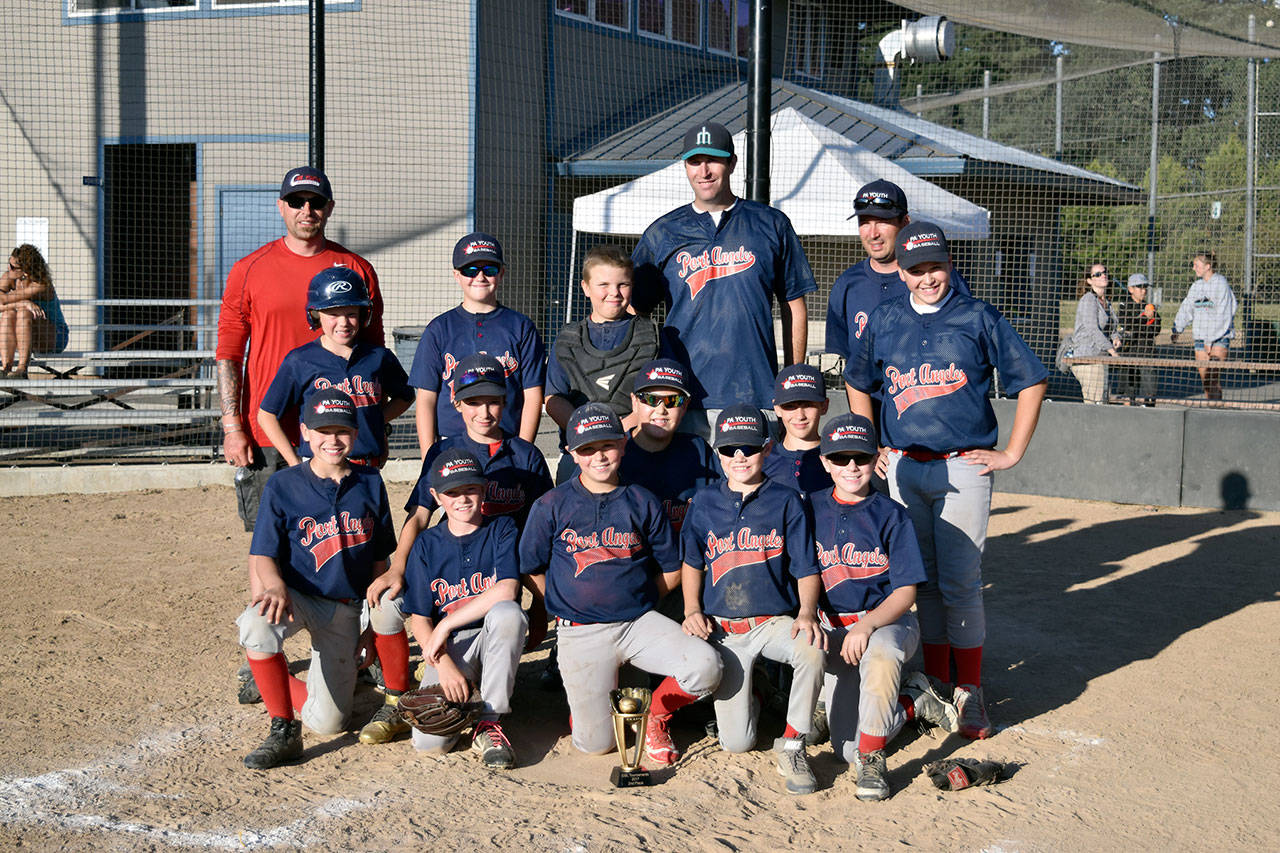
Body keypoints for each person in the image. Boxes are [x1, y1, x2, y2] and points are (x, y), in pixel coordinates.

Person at [844, 221, 1048, 741]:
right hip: (903, 466)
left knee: (960, 581)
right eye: (916, 269)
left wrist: (1011, 453)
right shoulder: (886, 318)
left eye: (934, 266)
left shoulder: (977, 315)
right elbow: (857, 380)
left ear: (948, 264)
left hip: (963, 464)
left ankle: (971, 689)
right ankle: (937, 682)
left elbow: (1031, 379)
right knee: (922, 581)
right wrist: (872, 446)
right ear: (903, 271)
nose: (926, 277)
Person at [359, 353, 552, 744]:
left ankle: (504, 706)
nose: (484, 411)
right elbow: (419, 517)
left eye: (493, 400)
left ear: (507, 400)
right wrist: (397, 568)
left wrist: (542, 607)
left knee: (516, 613)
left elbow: (540, 538)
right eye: (474, 401)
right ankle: (398, 697)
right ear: (456, 401)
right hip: (451, 570)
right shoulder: (443, 451)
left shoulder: (526, 457)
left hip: (503, 573)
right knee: (389, 602)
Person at [518, 403, 722, 767]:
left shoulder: (641, 500)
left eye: (608, 445)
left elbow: (672, 568)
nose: (599, 456)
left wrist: (641, 599)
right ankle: (591, 706)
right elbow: (530, 566)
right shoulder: (552, 504)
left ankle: (656, 714)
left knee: (706, 666)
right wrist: (559, 602)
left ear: (624, 445)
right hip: (581, 632)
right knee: (597, 745)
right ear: (571, 454)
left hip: (638, 624)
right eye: (587, 449)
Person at [216, 166, 384, 533]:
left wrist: (371, 425)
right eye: (296, 201)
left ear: (330, 207)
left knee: (344, 540)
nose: (306, 210)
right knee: (271, 543)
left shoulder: (356, 270)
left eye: (316, 202)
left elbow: (374, 358)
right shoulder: (249, 269)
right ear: (281, 206)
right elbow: (228, 352)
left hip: (337, 435)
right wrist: (233, 427)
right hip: (270, 434)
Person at [235, 389, 396, 769]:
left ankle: (271, 680)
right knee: (257, 624)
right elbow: (262, 554)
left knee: (330, 722)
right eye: (323, 430)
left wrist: (369, 629)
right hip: (296, 596)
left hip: (344, 609)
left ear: (355, 435)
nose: (332, 439)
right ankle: (283, 729)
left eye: (342, 430)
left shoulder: (370, 482)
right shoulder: (283, 484)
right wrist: (273, 587)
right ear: (305, 432)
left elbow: (379, 560)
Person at [632, 121, 816, 438]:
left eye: (714, 160)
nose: (704, 171)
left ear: (732, 163)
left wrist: (791, 381)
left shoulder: (770, 224)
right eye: (694, 161)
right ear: (685, 166)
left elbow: (794, 305)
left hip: (756, 394)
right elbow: (634, 311)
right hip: (680, 399)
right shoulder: (663, 231)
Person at [810, 413, 959, 801]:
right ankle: (912, 702)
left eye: (860, 457)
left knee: (882, 653)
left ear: (875, 459)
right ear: (825, 462)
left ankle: (874, 758)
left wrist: (866, 626)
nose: (851, 467)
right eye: (840, 459)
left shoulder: (891, 514)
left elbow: (905, 594)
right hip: (835, 632)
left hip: (887, 624)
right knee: (844, 749)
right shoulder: (809, 510)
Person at [679, 404, 826, 796]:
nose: (739, 457)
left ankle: (793, 743)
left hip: (772, 622)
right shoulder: (704, 503)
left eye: (748, 448)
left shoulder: (786, 500)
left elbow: (806, 567)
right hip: (724, 630)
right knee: (737, 743)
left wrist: (808, 613)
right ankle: (759, 690)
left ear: (767, 448)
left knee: (811, 648)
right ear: (717, 454)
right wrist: (692, 608)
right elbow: (692, 563)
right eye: (729, 450)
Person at [397, 448, 528, 768]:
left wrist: (446, 624)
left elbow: (508, 589)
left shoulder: (502, 529)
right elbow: (420, 619)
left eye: (470, 488)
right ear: (435, 496)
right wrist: (442, 664)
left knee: (508, 613)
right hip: (452, 648)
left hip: (490, 635)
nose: (462, 498)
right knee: (430, 743)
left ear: (484, 488)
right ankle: (472, 689)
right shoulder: (426, 544)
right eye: (451, 492)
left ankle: (489, 720)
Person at [258, 267, 413, 467]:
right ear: (316, 315)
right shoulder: (300, 360)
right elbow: (266, 415)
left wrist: (376, 422)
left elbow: (406, 395)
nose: (343, 322)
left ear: (363, 313)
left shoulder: (378, 357)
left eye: (351, 313)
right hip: (319, 466)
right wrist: (294, 462)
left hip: (367, 466)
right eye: (333, 314)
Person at [408, 232, 546, 453]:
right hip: (450, 444)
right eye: (470, 270)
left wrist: (523, 450)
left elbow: (532, 395)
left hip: (506, 444)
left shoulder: (521, 327)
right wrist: (428, 455)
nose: (480, 277)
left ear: (501, 273)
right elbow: (426, 398)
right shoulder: (440, 329)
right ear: (457, 275)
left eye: (489, 270)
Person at [826, 180, 970, 382]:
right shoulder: (847, 285)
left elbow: (965, 351)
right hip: (869, 408)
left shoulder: (938, 283)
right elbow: (850, 365)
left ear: (905, 222)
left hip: (926, 406)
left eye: (882, 221)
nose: (873, 233)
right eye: (864, 222)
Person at [545, 245, 659, 484]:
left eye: (623, 284)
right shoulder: (567, 339)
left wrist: (618, 432)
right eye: (603, 285)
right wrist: (592, 433)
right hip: (580, 453)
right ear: (586, 287)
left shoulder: (651, 336)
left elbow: (658, 396)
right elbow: (554, 399)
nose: (614, 292)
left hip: (635, 449)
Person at [1173, 250, 1237, 402]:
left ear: (1208, 266)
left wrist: (1210, 341)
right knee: (1206, 382)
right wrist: (1177, 328)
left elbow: (1224, 314)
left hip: (1219, 338)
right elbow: (1187, 307)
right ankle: (1211, 410)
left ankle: (1216, 410)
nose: (1194, 268)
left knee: (1213, 379)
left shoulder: (1220, 283)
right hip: (1200, 339)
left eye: (1197, 265)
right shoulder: (1196, 286)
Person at [0, 244, 69, 378]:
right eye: (9, 264)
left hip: (55, 335)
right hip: (26, 336)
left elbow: (5, 299)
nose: (9, 269)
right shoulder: (9, 277)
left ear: (26, 270)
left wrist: (19, 305)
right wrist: (23, 303)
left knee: (24, 313)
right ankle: (6, 368)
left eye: (13, 267)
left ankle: (22, 370)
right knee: (8, 314)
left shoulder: (40, 284)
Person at [763, 364, 830, 497]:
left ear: (824, 406)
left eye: (808, 405)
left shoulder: (840, 460)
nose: (800, 416)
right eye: (790, 406)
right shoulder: (763, 461)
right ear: (777, 408)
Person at [1070, 262, 1121, 404]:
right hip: (1087, 359)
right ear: (1089, 280)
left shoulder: (1106, 302)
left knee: (1102, 401)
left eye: (1104, 272)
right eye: (1097, 274)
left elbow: (1112, 327)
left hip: (1100, 358)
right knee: (1095, 403)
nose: (1103, 275)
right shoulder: (1088, 299)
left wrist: (1115, 337)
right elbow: (1093, 329)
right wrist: (1112, 351)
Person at [1115, 273, 1161, 406]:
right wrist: (1144, 319)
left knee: (1150, 391)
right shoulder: (1125, 306)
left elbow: (1156, 329)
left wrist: (1147, 321)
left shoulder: (1149, 307)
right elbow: (1128, 325)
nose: (1144, 290)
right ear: (1130, 289)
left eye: (1145, 287)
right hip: (1130, 351)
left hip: (1147, 351)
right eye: (1140, 287)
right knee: (1129, 392)